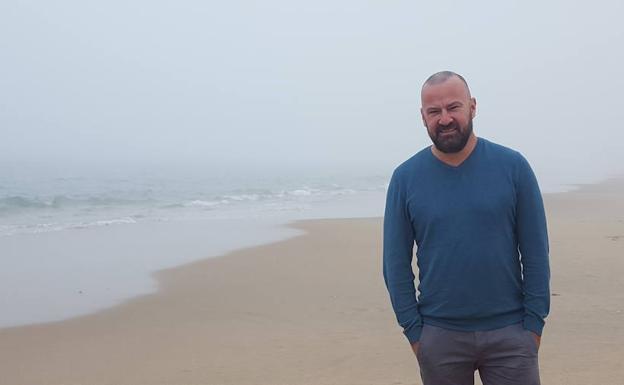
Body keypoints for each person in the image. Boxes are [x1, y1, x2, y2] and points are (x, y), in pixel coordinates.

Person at [382, 71, 550, 385]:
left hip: (510, 334)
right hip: (439, 336)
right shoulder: (405, 179)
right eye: (434, 112)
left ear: (472, 107)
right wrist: (416, 333)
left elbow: (536, 251)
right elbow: (394, 265)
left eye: (453, 107)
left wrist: (533, 325)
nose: (444, 119)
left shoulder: (513, 167)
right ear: (423, 117)